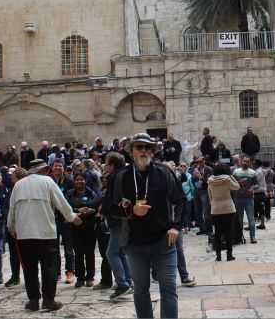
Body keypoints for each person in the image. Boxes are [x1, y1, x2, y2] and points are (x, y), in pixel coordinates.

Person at [111, 133, 186, 318]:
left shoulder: (164, 172)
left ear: (152, 152)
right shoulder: (121, 177)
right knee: (141, 289)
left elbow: (180, 200)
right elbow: (110, 207)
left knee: (169, 288)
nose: (143, 150)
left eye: (147, 147)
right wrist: (131, 210)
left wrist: (176, 226)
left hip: (164, 240)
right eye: (139, 147)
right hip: (135, 242)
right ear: (131, 152)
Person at [7, 159, 83, 312]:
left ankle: (33, 300)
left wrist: (11, 226)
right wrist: (72, 217)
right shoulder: (48, 182)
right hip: (45, 233)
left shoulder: (19, 185)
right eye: (46, 169)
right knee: (49, 268)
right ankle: (48, 301)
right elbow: (61, 202)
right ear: (41, 170)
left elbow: (12, 208)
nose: (48, 171)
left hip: (24, 234)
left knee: (29, 269)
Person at [101, 152, 134, 300]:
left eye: (107, 164)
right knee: (120, 252)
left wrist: (103, 211)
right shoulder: (125, 173)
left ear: (112, 165)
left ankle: (122, 284)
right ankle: (128, 280)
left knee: (111, 253)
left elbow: (110, 199)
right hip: (125, 218)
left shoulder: (115, 176)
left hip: (117, 218)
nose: (105, 166)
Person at [66, 172, 102, 288]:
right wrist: (78, 210)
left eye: (82, 179)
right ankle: (80, 278)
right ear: (74, 181)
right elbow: (66, 208)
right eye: (77, 180)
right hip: (75, 227)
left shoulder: (91, 193)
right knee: (78, 253)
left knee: (90, 253)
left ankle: (90, 277)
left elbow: (98, 207)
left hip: (90, 227)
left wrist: (92, 211)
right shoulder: (70, 193)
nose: (79, 181)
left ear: (85, 181)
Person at [49, 159, 75, 284]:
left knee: (68, 247)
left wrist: (68, 215)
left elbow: (72, 199)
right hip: (52, 218)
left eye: (60, 166)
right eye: (56, 166)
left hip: (66, 219)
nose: (58, 168)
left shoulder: (69, 182)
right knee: (54, 247)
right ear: (52, 168)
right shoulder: (48, 181)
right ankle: (57, 272)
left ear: (63, 168)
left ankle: (70, 271)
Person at [207, 164, 239, 261]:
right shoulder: (227, 180)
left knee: (217, 232)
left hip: (215, 209)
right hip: (228, 208)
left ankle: (218, 256)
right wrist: (232, 176)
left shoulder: (210, 181)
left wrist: (214, 204)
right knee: (228, 232)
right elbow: (237, 187)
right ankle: (229, 255)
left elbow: (210, 196)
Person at [4, 168, 26, 288]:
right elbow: (7, 207)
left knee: (25, 254)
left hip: (21, 227)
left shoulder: (25, 192)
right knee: (13, 254)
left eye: (14, 178)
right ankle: (15, 276)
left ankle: (29, 276)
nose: (12, 180)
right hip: (11, 226)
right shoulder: (12, 190)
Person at [232, 156, 258, 244]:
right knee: (239, 218)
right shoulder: (236, 172)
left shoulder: (253, 173)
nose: (245, 163)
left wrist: (253, 188)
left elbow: (257, 184)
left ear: (250, 162)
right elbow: (232, 183)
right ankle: (240, 236)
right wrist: (240, 183)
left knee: (251, 218)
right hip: (238, 198)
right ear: (241, 161)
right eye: (244, 161)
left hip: (249, 199)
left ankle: (252, 236)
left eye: (247, 162)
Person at [191, 157, 213, 236]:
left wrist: (200, 177)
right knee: (197, 212)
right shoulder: (196, 169)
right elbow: (192, 181)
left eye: (200, 161)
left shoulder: (208, 169)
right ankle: (202, 229)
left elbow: (209, 180)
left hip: (204, 190)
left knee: (206, 212)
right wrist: (194, 177)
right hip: (196, 190)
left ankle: (209, 230)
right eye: (197, 162)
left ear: (204, 161)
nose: (199, 163)